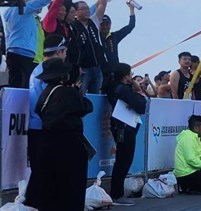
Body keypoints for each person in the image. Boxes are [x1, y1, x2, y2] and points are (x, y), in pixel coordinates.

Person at [29, 58, 93, 211]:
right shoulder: (67, 92)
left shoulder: (45, 93)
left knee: (50, 189)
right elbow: (86, 106)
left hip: (47, 143)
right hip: (68, 145)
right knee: (71, 189)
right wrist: (77, 91)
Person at [25, 35, 67, 209]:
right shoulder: (48, 71)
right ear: (59, 51)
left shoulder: (39, 69)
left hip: (37, 126)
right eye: (65, 52)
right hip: (44, 126)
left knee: (40, 171)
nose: (65, 56)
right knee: (44, 172)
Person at [4, 0, 65, 87]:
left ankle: (12, 105)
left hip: (13, 52)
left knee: (15, 83)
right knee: (24, 85)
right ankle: (21, 105)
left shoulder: (12, 10)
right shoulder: (23, 9)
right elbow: (41, 0)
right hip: (24, 53)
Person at [105, 63, 147, 206]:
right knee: (123, 161)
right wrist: (139, 92)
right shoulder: (121, 89)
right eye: (130, 74)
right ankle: (117, 194)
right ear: (125, 75)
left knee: (123, 160)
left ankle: (117, 193)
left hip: (123, 127)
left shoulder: (119, 88)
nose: (132, 76)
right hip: (123, 128)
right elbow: (141, 106)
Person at [72, 0, 109, 93]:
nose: (87, 11)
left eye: (87, 8)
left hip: (97, 66)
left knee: (96, 95)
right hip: (83, 68)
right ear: (76, 12)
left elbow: (103, 3)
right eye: (83, 9)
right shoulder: (73, 26)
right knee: (81, 94)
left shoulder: (93, 21)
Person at [99, 0, 137, 74]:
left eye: (107, 24)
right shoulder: (95, 36)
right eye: (102, 24)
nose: (105, 27)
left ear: (110, 24)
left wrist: (131, 9)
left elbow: (130, 26)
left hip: (114, 72)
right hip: (100, 71)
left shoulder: (114, 36)